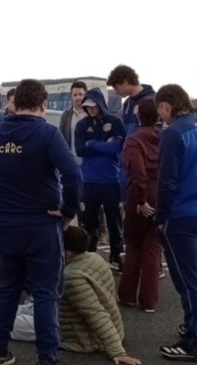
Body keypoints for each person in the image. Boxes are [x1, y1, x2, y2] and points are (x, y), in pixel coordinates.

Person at [0, 79, 83, 365]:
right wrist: (68, 211)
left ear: (15, 102)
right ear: (43, 104)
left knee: (8, 289)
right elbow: (73, 174)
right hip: (40, 224)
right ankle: (47, 362)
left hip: (5, 224)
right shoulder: (47, 133)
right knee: (44, 292)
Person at [0, 226, 141, 365]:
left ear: (67, 252)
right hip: (69, 317)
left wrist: (117, 351)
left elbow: (96, 314)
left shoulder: (73, 277)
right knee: (21, 310)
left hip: (77, 333)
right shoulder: (95, 258)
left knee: (3, 324)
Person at [154, 84, 197, 362]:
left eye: (161, 110)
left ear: (166, 106)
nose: (161, 117)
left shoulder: (173, 134)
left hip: (182, 213)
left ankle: (192, 342)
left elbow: (167, 181)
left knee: (187, 278)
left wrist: (161, 218)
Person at [117, 98, 161, 312]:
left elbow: (137, 172)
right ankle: (149, 300)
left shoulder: (134, 140)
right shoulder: (165, 138)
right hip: (160, 192)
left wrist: (140, 199)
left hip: (139, 194)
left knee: (134, 244)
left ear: (138, 116)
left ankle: (127, 294)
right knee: (153, 246)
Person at [75, 88, 126, 271]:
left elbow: (116, 148)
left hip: (111, 180)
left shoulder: (115, 122)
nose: (91, 109)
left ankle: (116, 254)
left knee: (114, 220)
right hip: (89, 180)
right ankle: (90, 254)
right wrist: (105, 144)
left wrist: (94, 144)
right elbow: (80, 150)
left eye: (93, 106)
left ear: (100, 104)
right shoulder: (82, 125)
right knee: (90, 220)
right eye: (87, 107)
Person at [107, 64, 156, 136]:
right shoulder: (127, 103)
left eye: (117, 87)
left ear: (125, 82)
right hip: (130, 145)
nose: (116, 92)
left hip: (144, 145)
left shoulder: (152, 100)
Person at [58, 80, 88, 161]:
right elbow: (61, 137)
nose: (78, 97)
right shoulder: (66, 115)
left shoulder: (91, 114)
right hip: (71, 160)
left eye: (80, 94)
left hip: (88, 161)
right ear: (71, 96)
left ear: (86, 95)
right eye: (75, 95)